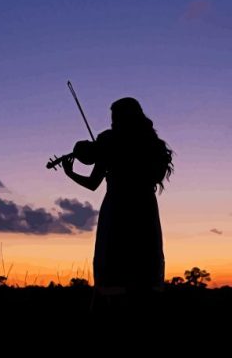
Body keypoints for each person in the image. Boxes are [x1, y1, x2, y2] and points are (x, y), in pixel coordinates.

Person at [61, 97, 173, 295]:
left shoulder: (109, 140)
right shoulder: (152, 143)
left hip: (117, 207)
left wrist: (70, 173)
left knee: (112, 258)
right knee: (144, 258)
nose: (112, 122)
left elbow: (92, 183)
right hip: (144, 208)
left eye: (115, 117)